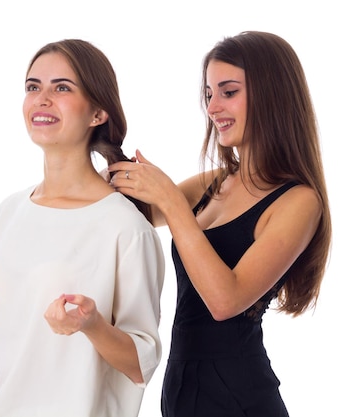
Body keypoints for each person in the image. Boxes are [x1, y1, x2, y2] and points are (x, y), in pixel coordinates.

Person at [0, 39, 165, 417]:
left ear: (97, 113)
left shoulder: (125, 227)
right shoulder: (8, 213)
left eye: (62, 88)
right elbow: (12, 330)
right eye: (33, 87)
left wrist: (92, 324)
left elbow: (141, 363)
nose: (42, 98)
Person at [109, 31, 332, 416]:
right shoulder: (212, 184)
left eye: (228, 92)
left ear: (272, 95)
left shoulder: (299, 202)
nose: (213, 108)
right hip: (180, 389)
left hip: (238, 396)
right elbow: (120, 212)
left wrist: (170, 200)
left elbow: (225, 301)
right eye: (209, 94)